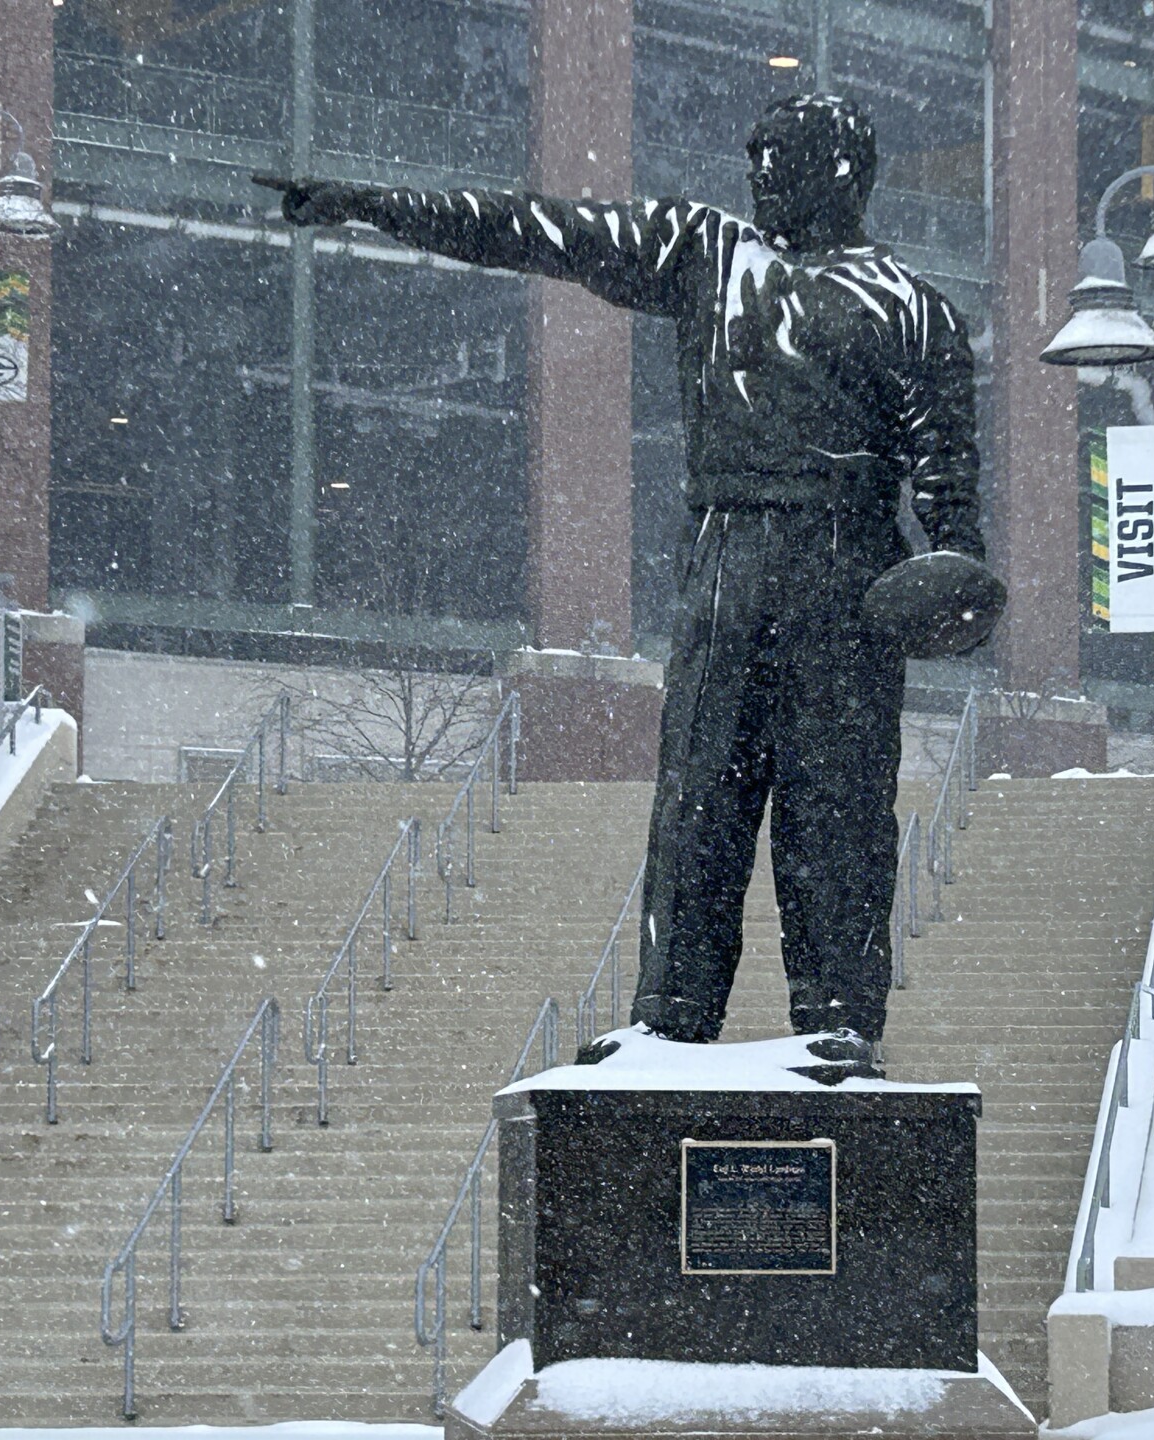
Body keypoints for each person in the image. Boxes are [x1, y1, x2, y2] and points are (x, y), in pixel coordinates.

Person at [261, 94, 984, 1068]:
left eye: (780, 157)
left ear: (845, 172)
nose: (760, 173)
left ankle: (840, 1020)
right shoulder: (706, 250)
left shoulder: (912, 308)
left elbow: (949, 491)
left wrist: (955, 589)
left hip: (846, 576)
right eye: (753, 155)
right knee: (696, 805)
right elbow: (542, 229)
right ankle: (672, 1019)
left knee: (839, 812)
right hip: (725, 564)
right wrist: (375, 205)